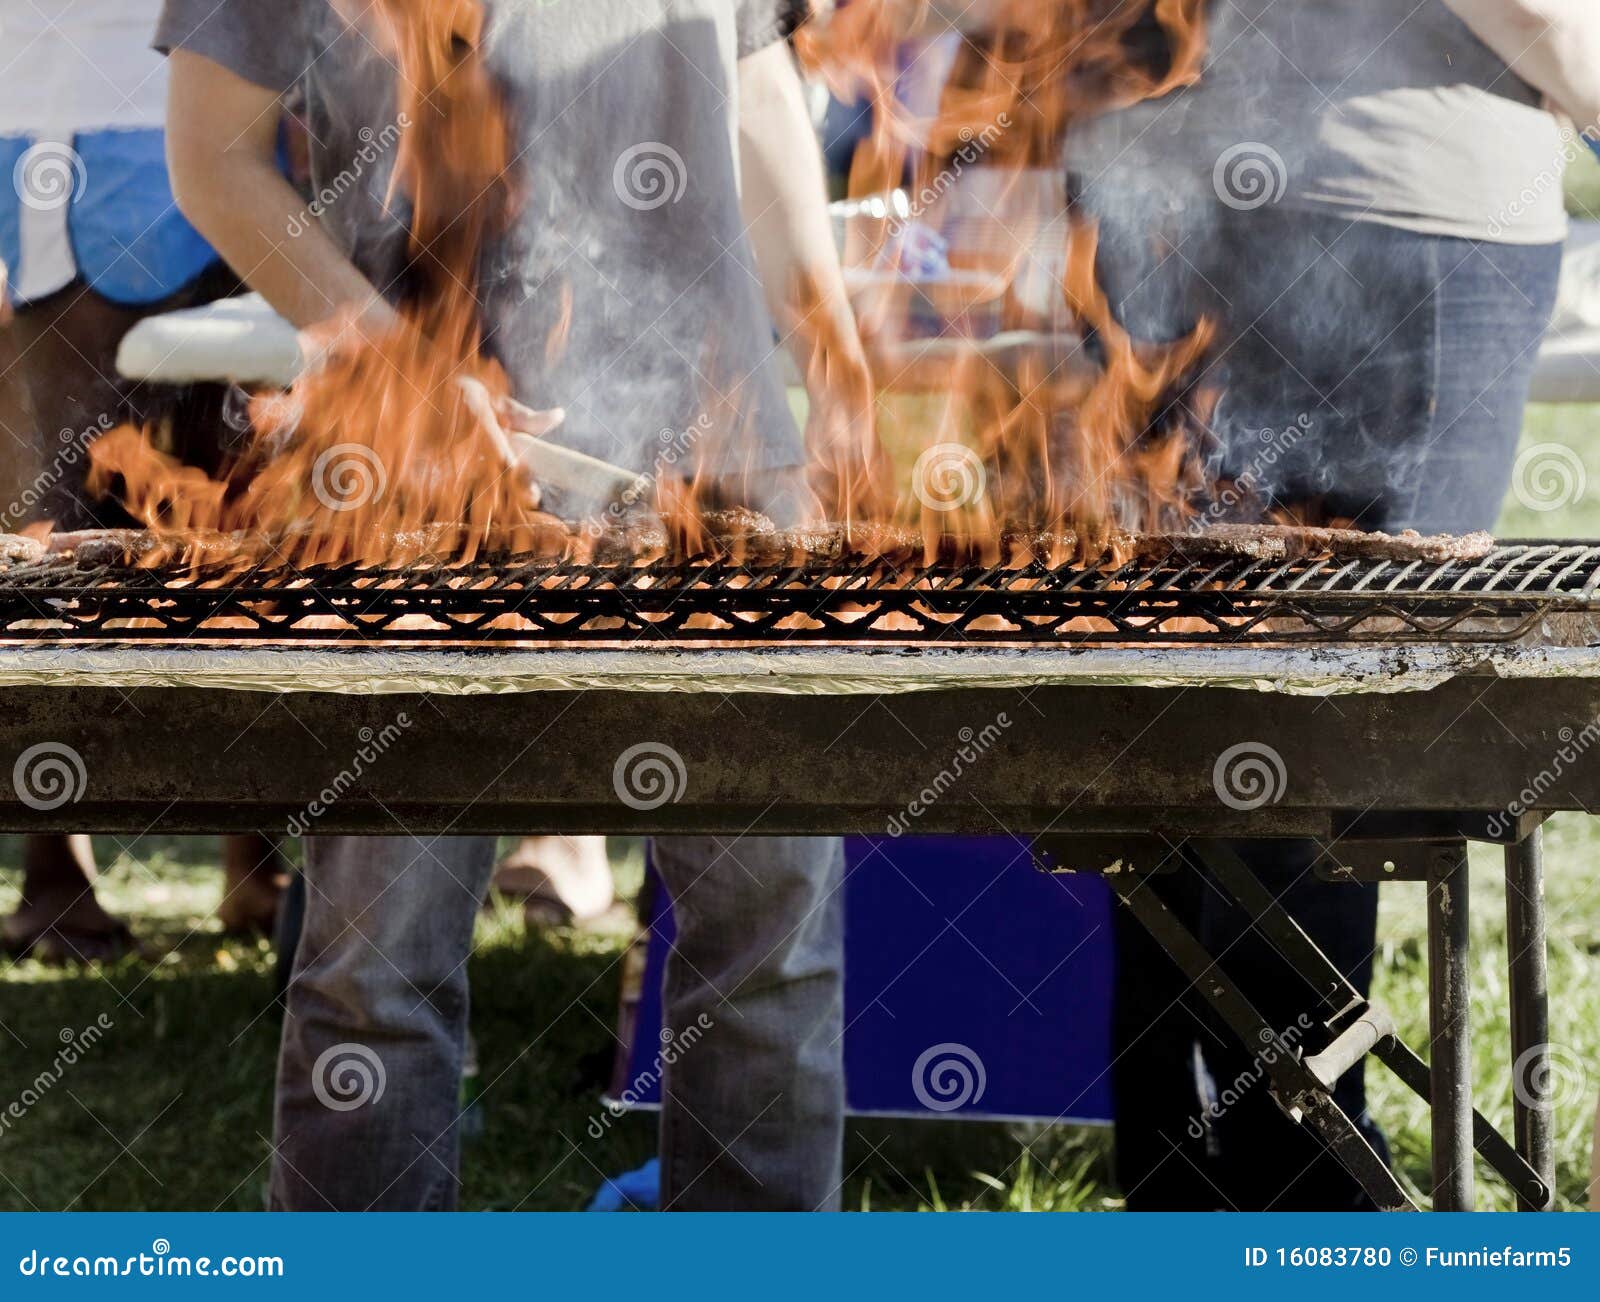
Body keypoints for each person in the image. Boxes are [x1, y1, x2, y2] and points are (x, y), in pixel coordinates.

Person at [154, 0, 868, 1210]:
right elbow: (212, 156)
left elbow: (747, 79)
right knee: (375, 973)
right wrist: (397, 368)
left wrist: (829, 336)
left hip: (727, 460)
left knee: (770, 944)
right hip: (424, 485)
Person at [1059, 0, 1591, 1209]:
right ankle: (1299, 1203)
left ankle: (1180, 1193)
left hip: (1211, 192)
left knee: (1187, 717)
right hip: (1403, 218)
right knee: (1317, 739)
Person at [0, 0, 286, 962]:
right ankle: (55, 875)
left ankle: (257, 859)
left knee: (257, 494)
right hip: (75, 99)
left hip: (258, 98)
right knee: (66, 508)